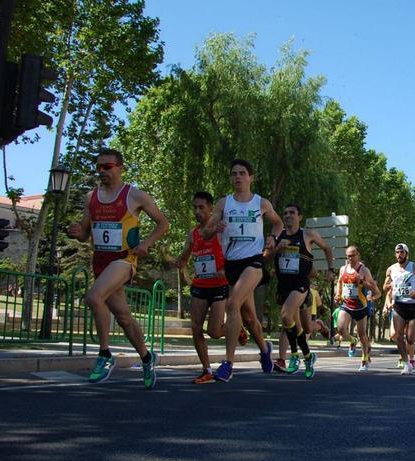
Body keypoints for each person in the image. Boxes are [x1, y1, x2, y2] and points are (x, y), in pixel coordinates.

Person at [67, 148, 169, 388]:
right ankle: (147, 358)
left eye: (107, 166)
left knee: (94, 297)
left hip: (124, 260)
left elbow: (163, 224)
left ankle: (104, 355)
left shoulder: (134, 195)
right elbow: (85, 233)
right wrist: (77, 232)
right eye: (99, 167)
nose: (102, 171)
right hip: (100, 261)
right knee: (124, 318)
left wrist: (146, 243)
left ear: (120, 168)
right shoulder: (91, 197)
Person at [201, 159, 283, 382]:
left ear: (250, 177)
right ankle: (265, 350)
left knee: (232, 304)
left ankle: (228, 364)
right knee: (249, 318)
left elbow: (278, 224)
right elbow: (206, 233)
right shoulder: (223, 203)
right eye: (234, 173)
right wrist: (214, 229)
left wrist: (272, 238)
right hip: (232, 264)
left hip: (254, 262)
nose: (237, 177)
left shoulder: (261, 203)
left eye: (242, 173)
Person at [168, 191, 239, 384]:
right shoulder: (193, 233)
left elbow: (234, 254)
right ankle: (206, 369)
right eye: (195, 207)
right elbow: (184, 257)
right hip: (200, 285)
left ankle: (236, 328)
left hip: (219, 286)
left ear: (211, 208)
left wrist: (225, 270)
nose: (197, 211)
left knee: (214, 332)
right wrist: (178, 261)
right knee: (196, 327)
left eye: (201, 207)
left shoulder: (220, 230)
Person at [272, 203, 334, 379]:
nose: (287, 215)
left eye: (292, 212)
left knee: (286, 316)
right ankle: (307, 356)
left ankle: (293, 355)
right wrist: (277, 249)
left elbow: (327, 248)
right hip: (284, 285)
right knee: (299, 326)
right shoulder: (278, 236)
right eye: (285, 213)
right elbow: (267, 258)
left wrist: (330, 270)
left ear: (299, 217)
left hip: (300, 284)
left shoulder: (307, 234)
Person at [383, 243, 415, 375]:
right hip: (399, 305)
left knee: (410, 339)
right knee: (398, 336)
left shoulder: (414, 267)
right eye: (397, 252)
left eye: (402, 252)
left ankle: (409, 359)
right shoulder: (391, 269)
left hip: (412, 306)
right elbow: (384, 286)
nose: (399, 255)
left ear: (406, 254)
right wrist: (387, 287)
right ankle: (406, 363)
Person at [335, 245, 381, 371]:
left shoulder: (363, 270)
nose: (350, 258)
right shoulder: (343, 269)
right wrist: (338, 294)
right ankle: (353, 340)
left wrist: (362, 282)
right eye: (348, 256)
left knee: (362, 335)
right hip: (346, 305)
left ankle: (364, 359)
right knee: (341, 329)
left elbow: (374, 288)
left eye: (352, 255)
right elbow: (339, 281)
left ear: (357, 255)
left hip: (360, 307)